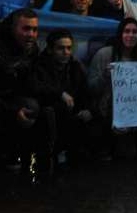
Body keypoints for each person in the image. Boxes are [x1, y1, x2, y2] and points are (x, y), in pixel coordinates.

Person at [0, 8, 49, 172]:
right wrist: (14, 111)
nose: (31, 34)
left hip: (16, 101)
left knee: (35, 108)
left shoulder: (32, 50)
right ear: (13, 28)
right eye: (26, 29)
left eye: (35, 30)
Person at [35, 29, 93, 166]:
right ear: (50, 49)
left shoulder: (75, 66)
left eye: (68, 48)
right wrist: (60, 93)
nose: (66, 52)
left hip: (72, 112)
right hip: (51, 113)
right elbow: (38, 87)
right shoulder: (40, 65)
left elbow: (84, 91)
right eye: (61, 48)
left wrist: (87, 109)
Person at [88, 18, 137, 159]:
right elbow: (90, 88)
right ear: (120, 34)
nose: (131, 35)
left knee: (127, 160)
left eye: (135, 32)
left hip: (131, 119)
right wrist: (105, 77)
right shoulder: (104, 54)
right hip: (104, 116)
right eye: (127, 31)